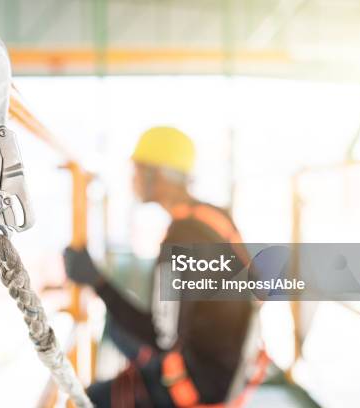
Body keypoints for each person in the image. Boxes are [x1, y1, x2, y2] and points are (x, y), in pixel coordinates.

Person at [64, 126, 254, 407]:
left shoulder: (181, 241)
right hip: (232, 369)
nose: (133, 179)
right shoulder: (213, 218)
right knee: (116, 328)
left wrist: (96, 281)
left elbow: (160, 339)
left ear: (160, 176)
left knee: (90, 399)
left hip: (200, 386)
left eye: (139, 169)